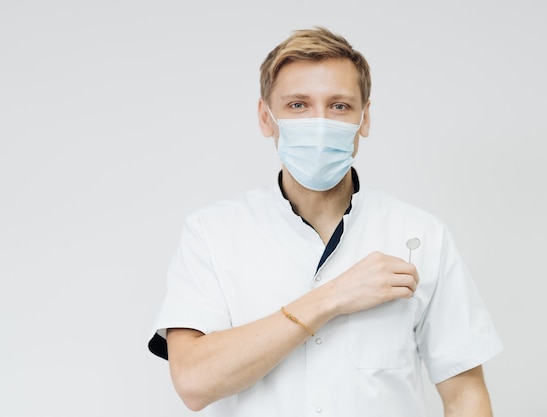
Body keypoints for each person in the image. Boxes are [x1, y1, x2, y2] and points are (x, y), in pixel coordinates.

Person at [148, 26, 502, 416]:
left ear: (364, 119)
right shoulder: (212, 233)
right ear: (266, 118)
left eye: (339, 106)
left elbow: (465, 396)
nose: (320, 123)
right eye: (298, 105)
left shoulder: (421, 237)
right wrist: (334, 297)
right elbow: (194, 383)